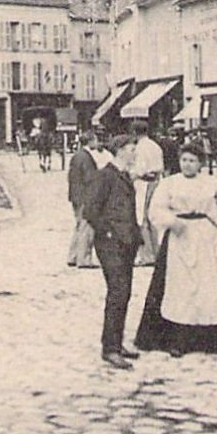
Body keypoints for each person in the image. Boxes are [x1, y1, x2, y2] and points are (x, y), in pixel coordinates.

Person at [135, 145, 217, 356]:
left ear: (200, 163)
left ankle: (207, 337)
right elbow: (156, 209)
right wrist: (171, 221)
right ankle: (178, 338)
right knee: (181, 286)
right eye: (184, 160)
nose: (187, 164)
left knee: (206, 283)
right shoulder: (170, 183)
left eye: (192, 160)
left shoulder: (210, 182)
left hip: (204, 236)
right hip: (180, 237)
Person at [85, 136, 143, 369]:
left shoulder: (123, 175)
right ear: (119, 151)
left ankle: (116, 343)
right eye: (131, 150)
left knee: (124, 293)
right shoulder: (105, 176)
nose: (134, 154)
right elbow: (90, 210)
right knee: (117, 292)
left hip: (126, 242)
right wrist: (106, 233)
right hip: (111, 244)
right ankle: (110, 348)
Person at [128, 120, 166, 268]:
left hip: (145, 183)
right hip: (157, 181)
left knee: (142, 219)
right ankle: (156, 252)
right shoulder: (155, 146)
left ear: (135, 133)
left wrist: (131, 175)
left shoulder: (140, 148)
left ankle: (147, 255)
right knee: (152, 218)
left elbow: (140, 169)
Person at [66, 130, 103, 269]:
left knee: (79, 226)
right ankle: (84, 259)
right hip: (84, 196)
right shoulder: (86, 158)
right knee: (86, 227)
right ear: (91, 141)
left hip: (75, 195)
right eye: (96, 140)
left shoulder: (77, 156)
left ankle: (73, 256)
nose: (97, 143)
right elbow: (89, 178)